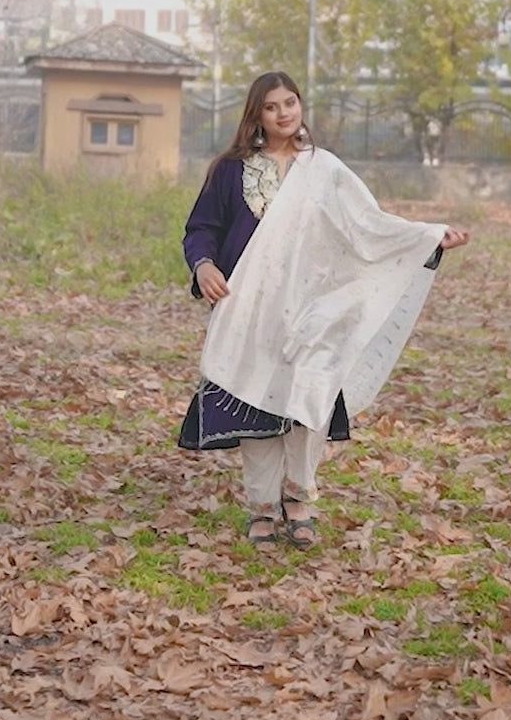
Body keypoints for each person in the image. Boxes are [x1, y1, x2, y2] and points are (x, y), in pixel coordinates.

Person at [178, 70, 469, 549]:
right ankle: (262, 507)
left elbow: (368, 226)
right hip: (249, 307)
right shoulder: (231, 170)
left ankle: (299, 498)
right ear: (256, 113)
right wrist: (204, 264)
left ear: (300, 105)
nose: (283, 112)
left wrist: (429, 237)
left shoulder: (326, 170)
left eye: (290, 102)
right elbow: (201, 228)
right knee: (253, 399)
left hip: (316, 307)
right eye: (271, 106)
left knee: (308, 399)